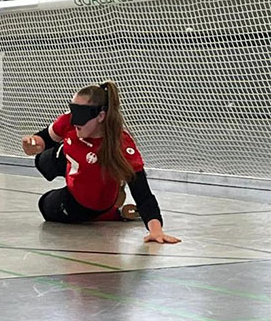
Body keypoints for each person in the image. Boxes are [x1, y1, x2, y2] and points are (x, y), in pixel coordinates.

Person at [21, 81, 180, 244]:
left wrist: (156, 230)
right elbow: (44, 138)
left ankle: (112, 211)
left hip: (84, 197)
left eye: (80, 114)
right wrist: (34, 143)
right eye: (73, 110)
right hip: (75, 160)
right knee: (42, 160)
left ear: (100, 116)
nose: (75, 120)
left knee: (45, 206)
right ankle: (71, 161)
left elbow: (142, 193)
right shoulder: (71, 122)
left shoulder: (120, 146)